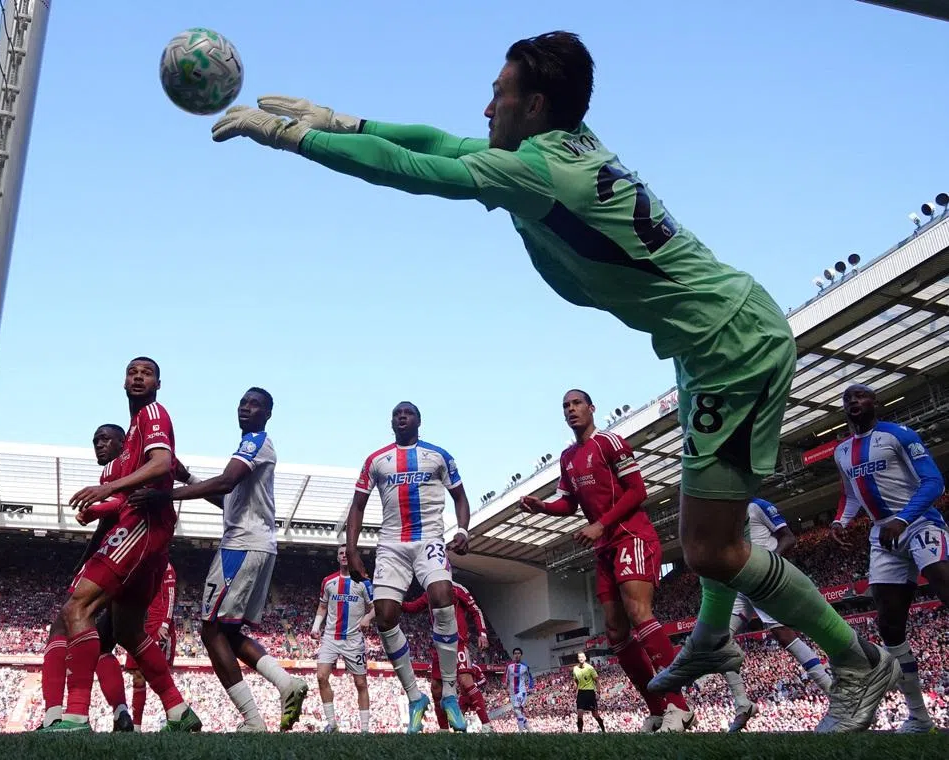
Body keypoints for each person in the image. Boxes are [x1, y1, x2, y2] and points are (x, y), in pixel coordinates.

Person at [211, 30, 897, 732]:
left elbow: (410, 168)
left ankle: (856, 662)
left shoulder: (538, 173)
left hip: (731, 347)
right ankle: (713, 637)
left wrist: (296, 140)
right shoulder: (568, 140)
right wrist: (349, 121)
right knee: (711, 532)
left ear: (535, 103)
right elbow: (443, 143)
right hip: (707, 342)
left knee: (711, 546)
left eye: (499, 94)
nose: (486, 108)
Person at [520, 389, 692, 732]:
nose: (571, 409)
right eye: (565, 406)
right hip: (605, 548)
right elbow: (568, 504)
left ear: (591, 408)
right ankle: (657, 709)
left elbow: (638, 491)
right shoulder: (568, 457)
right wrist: (543, 507)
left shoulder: (610, 442)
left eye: (577, 403)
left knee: (639, 612)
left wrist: (600, 524)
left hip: (632, 535)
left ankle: (679, 705)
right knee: (615, 632)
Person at [45, 357, 200, 733]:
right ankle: (179, 712)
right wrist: (100, 508)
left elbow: (163, 463)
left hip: (144, 528)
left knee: (77, 606)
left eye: (146, 373)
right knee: (129, 632)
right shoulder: (132, 436)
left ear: (158, 383)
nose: (138, 377)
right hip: (146, 534)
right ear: (122, 381)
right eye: (132, 372)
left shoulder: (153, 413)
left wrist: (108, 490)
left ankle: (76, 715)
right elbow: (155, 477)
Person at [147, 387, 308, 732]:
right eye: (243, 403)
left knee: (210, 629)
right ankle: (285, 684)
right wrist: (187, 477)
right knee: (229, 632)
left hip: (242, 546)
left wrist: (166, 496)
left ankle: (252, 719)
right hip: (255, 543)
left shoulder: (256, 442)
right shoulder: (251, 449)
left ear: (268, 414)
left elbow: (225, 482)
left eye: (255, 405)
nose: (246, 408)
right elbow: (229, 501)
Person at [343, 401, 472, 733]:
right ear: (391, 422)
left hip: (429, 537)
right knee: (385, 617)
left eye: (408, 413)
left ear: (419, 420)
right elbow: (357, 506)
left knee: (443, 597)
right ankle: (416, 698)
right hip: (391, 544)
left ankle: (450, 695)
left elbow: (460, 497)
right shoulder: (376, 460)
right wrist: (352, 549)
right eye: (397, 413)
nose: (402, 416)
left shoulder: (439, 456)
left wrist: (461, 530)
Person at [831, 383, 949, 734]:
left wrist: (903, 518)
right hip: (883, 536)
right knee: (889, 625)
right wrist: (841, 520)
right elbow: (851, 495)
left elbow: (934, 482)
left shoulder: (900, 434)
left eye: (861, 395)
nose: (854, 400)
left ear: (875, 402)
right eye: (848, 398)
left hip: (919, 522)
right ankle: (919, 717)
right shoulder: (841, 451)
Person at [39, 424, 132, 731]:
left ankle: (59, 715)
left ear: (123, 442)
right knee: (103, 645)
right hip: (131, 554)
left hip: (115, 552)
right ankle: (122, 712)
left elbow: (121, 503)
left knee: (64, 623)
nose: (99, 445)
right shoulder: (123, 468)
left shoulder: (120, 467)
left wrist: (96, 510)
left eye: (106, 439)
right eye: (95, 440)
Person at [722, 497, 833, 732]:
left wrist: (769, 564)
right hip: (740, 583)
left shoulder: (756, 505)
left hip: (762, 576)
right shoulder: (722, 512)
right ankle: (743, 704)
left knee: (783, 635)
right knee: (719, 640)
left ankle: (833, 692)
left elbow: (788, 537)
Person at [401, 579, 492, 731]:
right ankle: (443, 729)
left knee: (465, 680)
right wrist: (395, 601)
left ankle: (487, 725)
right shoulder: (429, 592)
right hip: (439, 646)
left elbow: (475, 610)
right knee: (436, 688)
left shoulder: (457, 588)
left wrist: (482, 633)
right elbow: (413, 607)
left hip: (458, 643)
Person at [311, 544, 375, 732]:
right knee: (321, 676)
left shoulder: (364, 583)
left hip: (354, 639)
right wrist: (316, 627)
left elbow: (375, 607)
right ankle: (332, 723)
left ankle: (364, 729)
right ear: (338, 558)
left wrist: (367, 618)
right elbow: (322, 606)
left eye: (347, 553)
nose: (344, 556)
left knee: (360, 682)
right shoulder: (328, 581)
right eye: (341, 553)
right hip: (331, 637)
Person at [122, 561, 178, 729]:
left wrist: (165, 624)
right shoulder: (139, 564)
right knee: (137, 676)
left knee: (161, 676)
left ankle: (175, 721)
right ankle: (136, 727)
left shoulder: (165, 566)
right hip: (139, 625)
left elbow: (170, 595)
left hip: (158, 627)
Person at [572, 652, 605, 733]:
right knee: (579, 714)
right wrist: (575, 688)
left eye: (582, 657)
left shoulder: (590, 668)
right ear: (578, 659)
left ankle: (603, 729)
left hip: (590, 693)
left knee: (595, 715)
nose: (581, 658)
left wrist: (598, 692)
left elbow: (597, 681)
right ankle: (580, 732)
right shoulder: (575, 669)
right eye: (579, 657)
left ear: (585, 658)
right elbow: (575, 680)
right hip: (581, 693)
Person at [504, 647, 534, 731]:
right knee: (518, 713)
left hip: (521, 691)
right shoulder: (509, 666)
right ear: (513, 655)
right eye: (515, 653)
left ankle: (520, 732)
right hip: (512, 692)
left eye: (518, 653)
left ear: (521, 655)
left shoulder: (525, 666)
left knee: (517, 711)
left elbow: (530, 678)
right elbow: (505, 676)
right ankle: (530, 730)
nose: (517, 655)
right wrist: (504, 683)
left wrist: (531, 687)